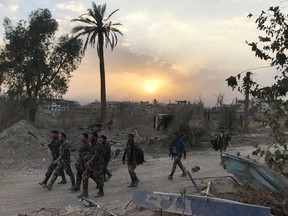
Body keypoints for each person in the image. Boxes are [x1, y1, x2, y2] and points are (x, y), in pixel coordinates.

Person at [78, 131, 105, 198]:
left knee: (99, 178)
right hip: (92, 164)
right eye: (90, 137)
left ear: (95, 137)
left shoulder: (98, 144)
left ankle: (101, 191)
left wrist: (89, 162)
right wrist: (88, 162)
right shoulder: (92, 144)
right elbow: (90, 154)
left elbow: (96, 155)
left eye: (92, 137)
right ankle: (85, 192)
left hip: (97, 164)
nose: (90, 138)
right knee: (85, 175)